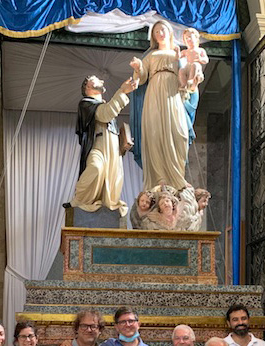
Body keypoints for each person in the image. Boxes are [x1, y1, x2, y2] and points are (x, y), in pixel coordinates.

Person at [129, 20, 190, 191]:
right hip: (155, 92)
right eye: (156, 32)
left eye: (162, 29)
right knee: (155, 133)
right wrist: (138, 67)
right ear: (153, 37)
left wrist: (183, 61)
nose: (160, 33)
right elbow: (141, 78)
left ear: (169, 32)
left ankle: (177, 177)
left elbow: (186, 74)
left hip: (173, 91)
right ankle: (160, 179)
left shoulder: (177, 52)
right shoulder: (151, 55)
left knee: (179, 132)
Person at [70, 75, 138, 215]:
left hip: (112, 145)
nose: (100, 80)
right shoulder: (86, 103)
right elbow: (105, 114)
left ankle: (109, 205)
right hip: (98, 144)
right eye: (95, 79)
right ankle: (80, 199)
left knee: (114, 180)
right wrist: (122, 92)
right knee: (96, 167)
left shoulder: (103, 103)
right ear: (88, 87)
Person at [178, 28, 209, 96]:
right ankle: (183, 85)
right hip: (188, 66)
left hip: (196, 67)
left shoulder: (200, 50)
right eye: (186, 38)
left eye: (190, 37)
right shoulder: (186, 51)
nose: (188, 39)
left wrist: (200, 59)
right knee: (181, 70)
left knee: (195, 65)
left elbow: (206, 60)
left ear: (196, 38)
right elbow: (178, 56)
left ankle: (191, 79)